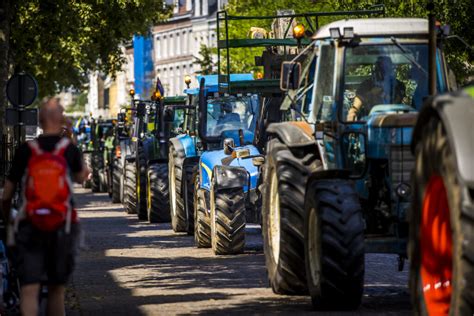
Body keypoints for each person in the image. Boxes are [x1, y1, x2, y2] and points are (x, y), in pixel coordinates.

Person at [1, 98, 89, 316]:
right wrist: (71, 136)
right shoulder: (67, 150)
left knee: (29, 289)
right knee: (57, 291)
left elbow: (6, 195)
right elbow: (83, 176)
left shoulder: (25, 150)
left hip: (30, 226)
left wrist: (9, 220)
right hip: (62, 226)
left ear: (39, 120)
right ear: (60, 119)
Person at [347, 56, 406, 121]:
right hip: (370, 122)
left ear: (391, 69)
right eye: (380, 67)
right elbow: (355, 108)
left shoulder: (399, 86)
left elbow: (401, 104)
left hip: (394, 122)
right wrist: (352, 114)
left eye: (386, 67)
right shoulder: (366, 85)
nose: (383, 71)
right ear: (375, 69)